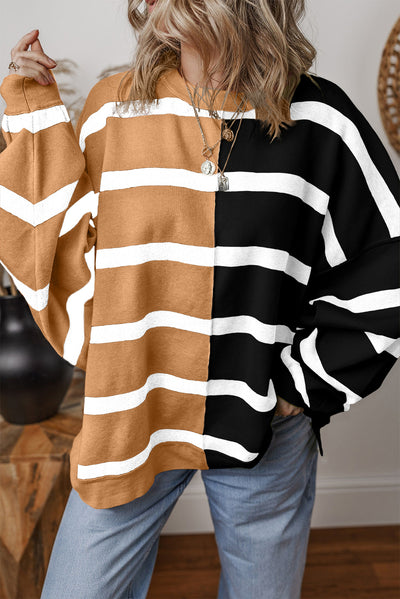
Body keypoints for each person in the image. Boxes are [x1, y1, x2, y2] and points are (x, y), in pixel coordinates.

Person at [0, 1, 399, 598]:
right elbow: (62, 253)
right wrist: (32, 113)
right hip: (136, 414)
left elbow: (387, 263)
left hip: (264, 421)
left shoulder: (320, 119)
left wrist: (302, 385)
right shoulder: (114, 107)